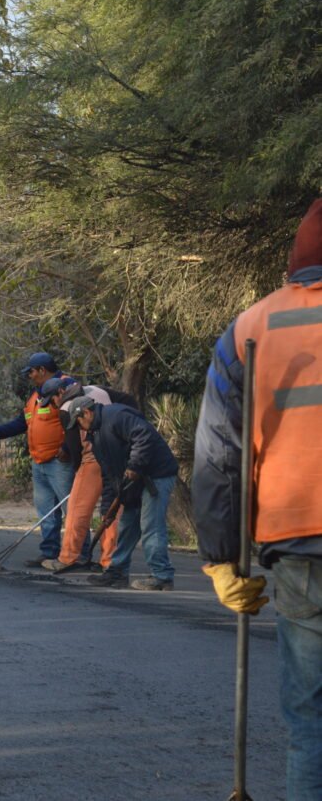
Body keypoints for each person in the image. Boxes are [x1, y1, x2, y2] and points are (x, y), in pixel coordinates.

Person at [191, 198, 322, 799]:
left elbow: (219, 454)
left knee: (312, 722)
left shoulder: (252, 328)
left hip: (298, 546)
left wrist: (221, 559)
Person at [0, 351, 74, 567]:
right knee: (46, 512)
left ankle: (79, 556)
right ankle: (50, 553)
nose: (29, 376)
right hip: (39, 462)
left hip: (59, 462)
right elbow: (21, 423)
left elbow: (76, 419)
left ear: (42, 370)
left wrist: (67, 447)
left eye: (31, 372)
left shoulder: (66, 386)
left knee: (73, 510)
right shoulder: (35, 396)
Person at [63, 396, 178, 590]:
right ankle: (117, 572)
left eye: (79, 422)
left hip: (155, 476)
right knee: (127, 525)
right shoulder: (96, 436)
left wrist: (134, 466)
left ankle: (162, 576)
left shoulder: (117, 415)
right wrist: (109, 508)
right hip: (133, 480)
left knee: (150, 525)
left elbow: (144, 436)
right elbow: (109, 475)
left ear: (87, 413)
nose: (80, 429)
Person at [38, 378, 139, 573]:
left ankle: (69, 557)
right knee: (112, 509)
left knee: (78, 509)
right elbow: (130, 401)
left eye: (52, 400)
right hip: (119, 453)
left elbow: (75, 446)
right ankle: (110, 561)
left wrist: (78, 471)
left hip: (93, 457)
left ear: (60, 393)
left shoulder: (66, 408)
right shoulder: (97, 389)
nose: (53, 405)